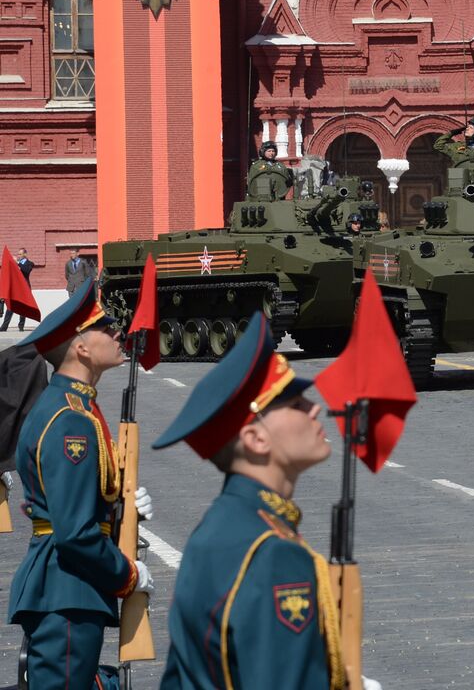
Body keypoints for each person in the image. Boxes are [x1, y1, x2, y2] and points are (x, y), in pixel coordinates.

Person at [153, 314, 378, 690]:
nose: (315, 408)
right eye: (295, 402)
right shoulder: (275, 553)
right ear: (257, 440)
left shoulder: (221, 526)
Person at [8, 281, 155, 690]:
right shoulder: (70, 420)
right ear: (82, 349)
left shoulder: (74, 407)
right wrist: (127, 574)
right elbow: (73, 532)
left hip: (67, 589)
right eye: (105, 328)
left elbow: (67, 500)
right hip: (67, 589)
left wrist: (119, 509)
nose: (116, 334)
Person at [2, 247, 36, 331]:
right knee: (11, 307)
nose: (19, 256)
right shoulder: (15, 263)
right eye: (18, 254)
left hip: (24, 288)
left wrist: (17, 263)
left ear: (25, 254)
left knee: (23, 308)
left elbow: (26, 271)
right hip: (15, 289)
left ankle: (21, 326)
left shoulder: (30, 263)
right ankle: (4, 327)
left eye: (20, 254)